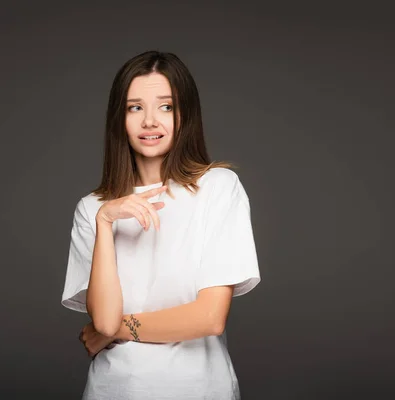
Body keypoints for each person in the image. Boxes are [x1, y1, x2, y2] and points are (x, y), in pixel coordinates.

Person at [61, 50, 261, 400]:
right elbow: (104, 322)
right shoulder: (92, 209)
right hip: (114, 390)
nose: (150, 121)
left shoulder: (217, 187)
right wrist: (106, 221)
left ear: (186, 115)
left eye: (165, 107)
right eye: (135, 107)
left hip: (199, 390)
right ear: (119, 118)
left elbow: (210, 317)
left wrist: (113, 331)